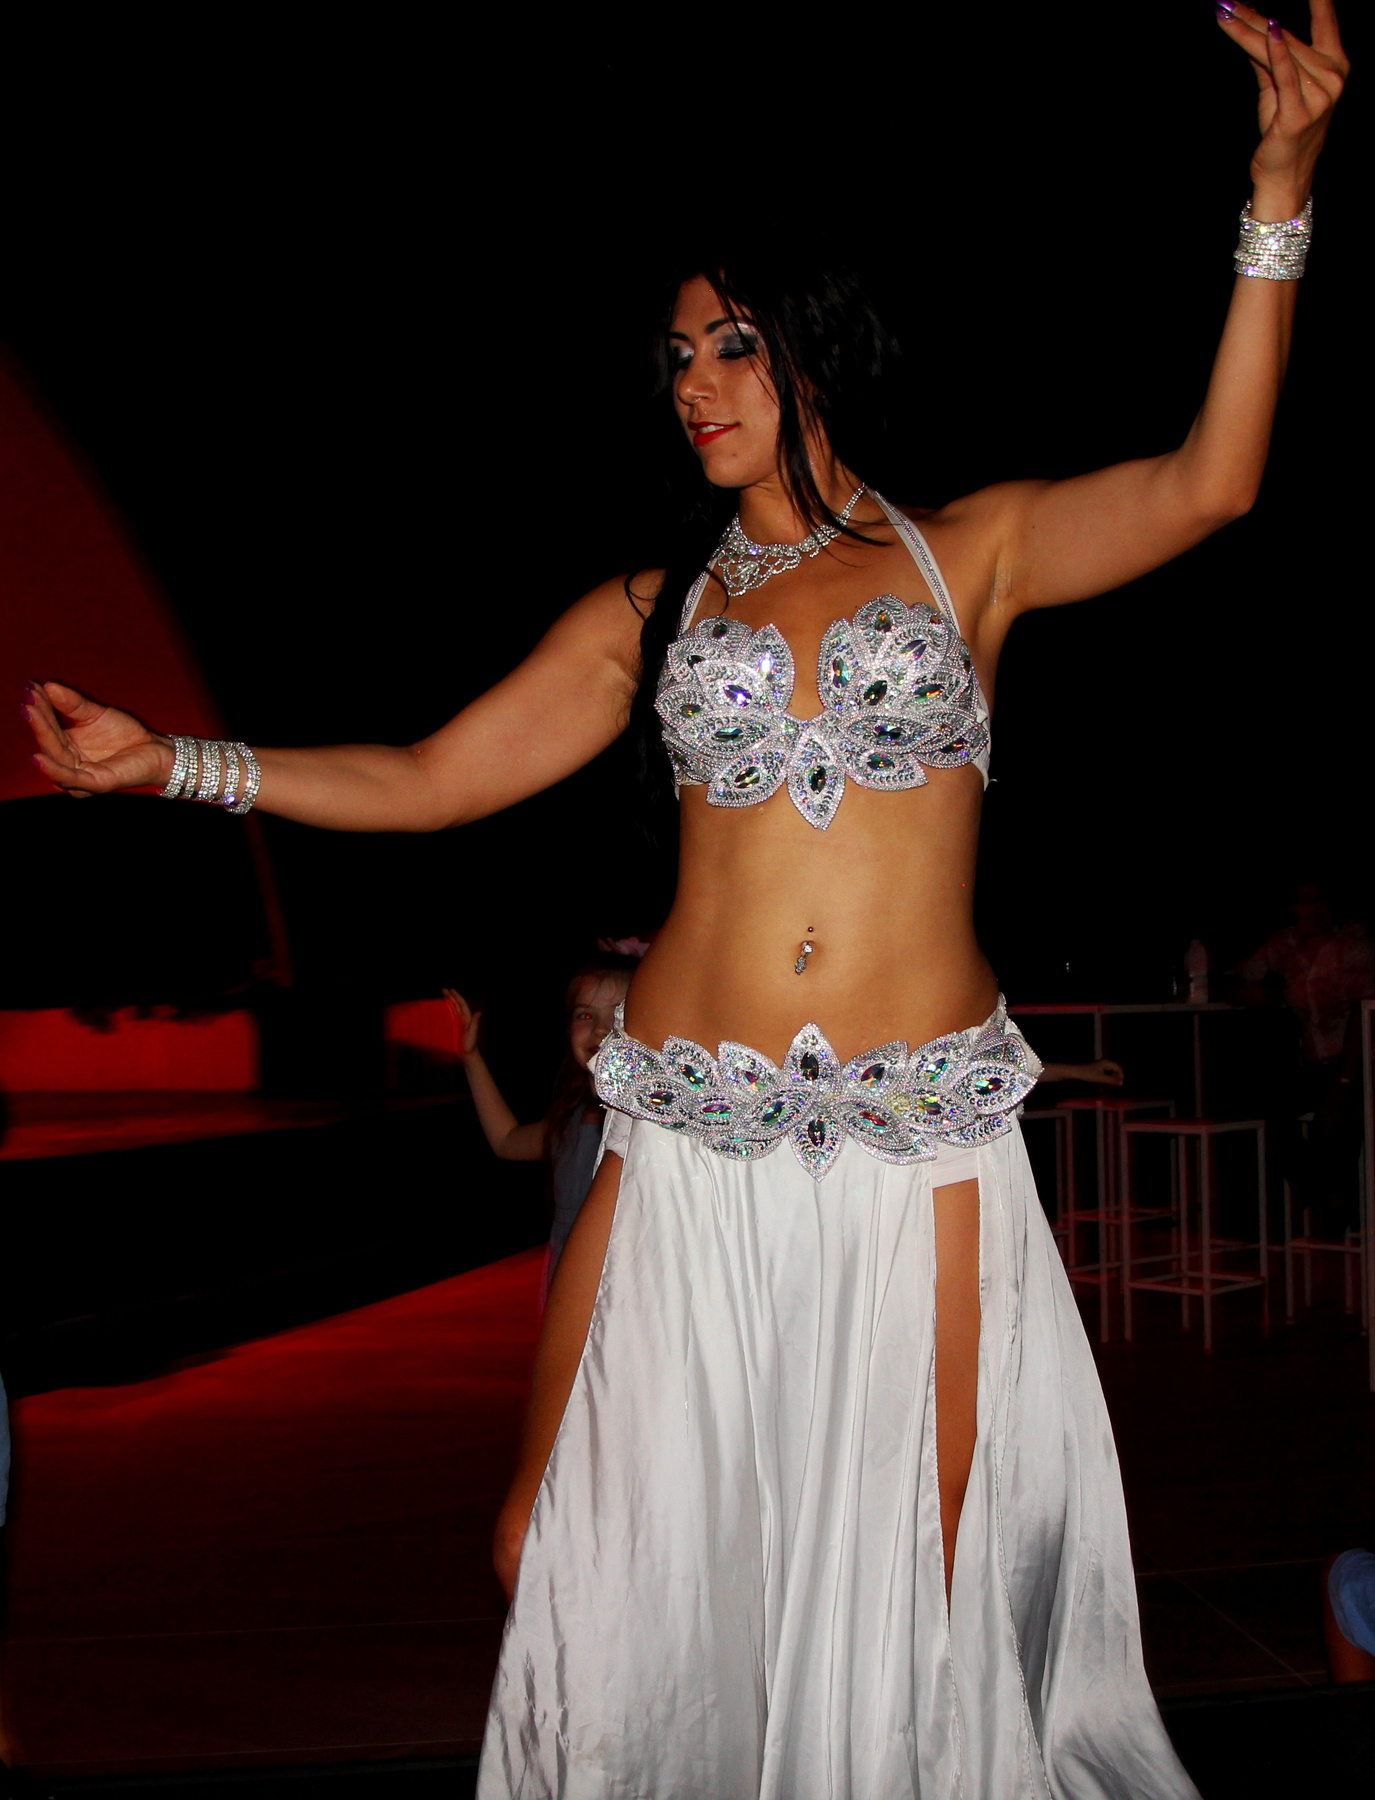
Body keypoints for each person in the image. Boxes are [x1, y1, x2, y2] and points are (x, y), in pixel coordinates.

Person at [20, 7, 1347, 1792]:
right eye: (675, 357)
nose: (696, 383)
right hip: (683, 1144)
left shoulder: (973, 554)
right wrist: (171, 765)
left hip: (911, 1152)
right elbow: (427, 777)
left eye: (729, 344)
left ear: (811, 343)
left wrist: (1277, 192)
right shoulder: (649, 611)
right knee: (565, 1556)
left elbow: (1213, 480)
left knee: (919, 1589)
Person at [444, 951, 639, 1296]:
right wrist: (471, 1058)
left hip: (624, 1292)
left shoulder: (650, 1126)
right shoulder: (572, 1121)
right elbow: (507, 1139)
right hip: (569, 1290)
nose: (600, 1028)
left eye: (618, 1013)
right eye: (585, 1014)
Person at [1236, 881, 1374, 1234]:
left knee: (1337, 1120)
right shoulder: (1284, 945)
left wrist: (1345, 1079)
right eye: (1304, 901)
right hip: (1314, 1064)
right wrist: (1251, 992)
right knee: (1269, 1108)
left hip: (1358, 1062)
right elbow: (1238, 977)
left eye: (1320, 900)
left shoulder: (1353, 944)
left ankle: (1340, 1216)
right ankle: (1321, 1194)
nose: (1313, 910)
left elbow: (1364, 1013)